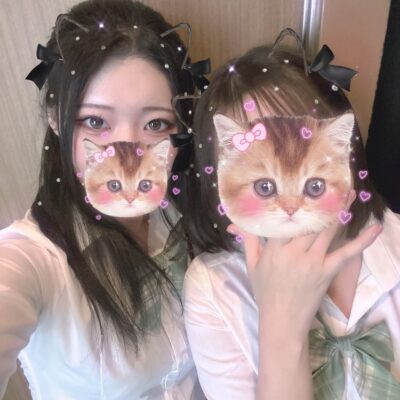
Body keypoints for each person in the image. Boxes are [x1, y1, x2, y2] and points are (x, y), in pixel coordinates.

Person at [0, 0, 206, 398]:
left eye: (156, 123)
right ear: (56, 118)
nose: (127, 154)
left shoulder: (185, 214)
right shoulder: (35, 260)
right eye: (96, 122)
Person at [183, 29, 400, 399]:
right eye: (264, 186)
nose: (289, 207)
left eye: (312, 184)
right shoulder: (215, 288)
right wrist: (281, 327)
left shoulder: (393, 240)